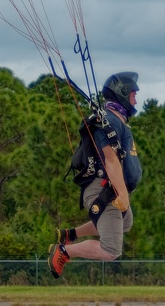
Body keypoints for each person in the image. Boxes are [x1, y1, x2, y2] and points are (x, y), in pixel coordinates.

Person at [47, 72, 142, 278]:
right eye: (133, 93)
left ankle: (70, 235)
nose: (136, 98)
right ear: (123, 94)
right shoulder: (110, 121)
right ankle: (64, 251)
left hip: (109, 189)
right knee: (111, 250)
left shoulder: (113, 121)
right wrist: (123, 194)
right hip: (104, 190)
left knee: (126, 223)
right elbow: (110, 159)